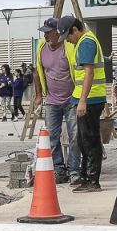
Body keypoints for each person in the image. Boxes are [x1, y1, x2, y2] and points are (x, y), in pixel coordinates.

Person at [57, 16, 108, 193]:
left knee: (90, 140)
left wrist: (83, 101)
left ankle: (93, 180)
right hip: (85, 98)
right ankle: (86, 177)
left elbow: (89, 73)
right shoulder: (84, 41)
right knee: (83, 140)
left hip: (91, 99)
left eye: (68, 37)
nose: (68, 42)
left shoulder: (86, 42)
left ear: (75, 30)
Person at [33, 17, 79, 183]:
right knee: (53, 136)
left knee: (74, 137)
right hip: (52, 100)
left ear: (58, 33)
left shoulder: (69, 47)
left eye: (49, 32)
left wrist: (80, 97)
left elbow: (79, 70)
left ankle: (74, 171)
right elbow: (37, 72)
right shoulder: (41, 47)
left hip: (72, 100)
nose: (45, 36)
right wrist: (39, 95)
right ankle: (59, 170)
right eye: (44, 32)